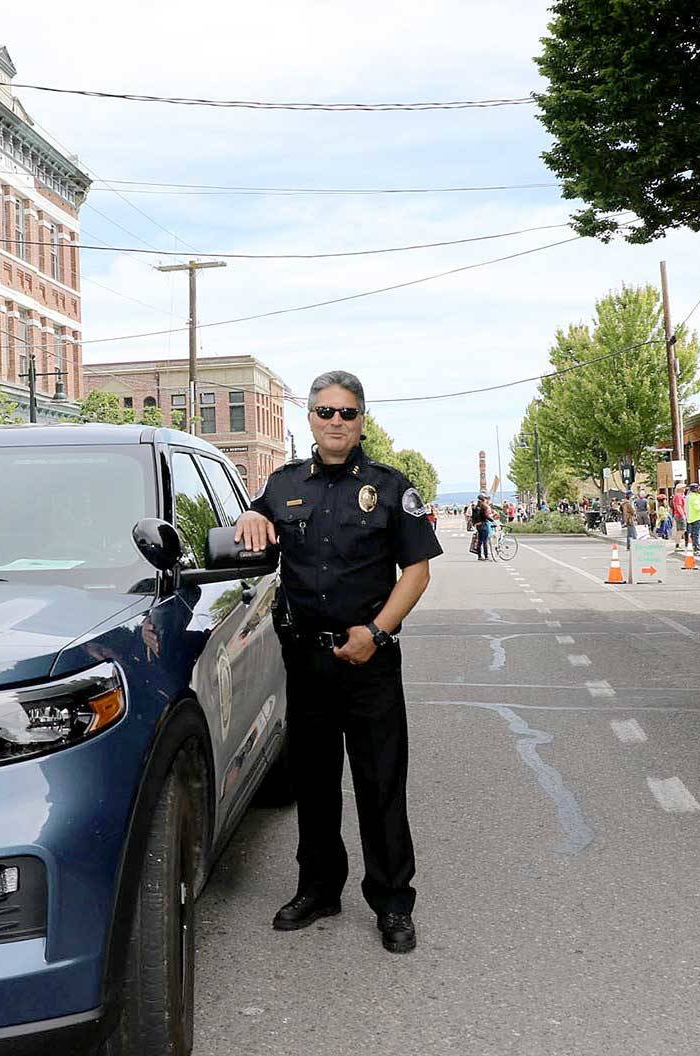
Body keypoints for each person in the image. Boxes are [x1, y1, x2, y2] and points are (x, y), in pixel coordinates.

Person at [235, 369, 441, 954]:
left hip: (369, 661)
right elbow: (254, 524)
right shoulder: (282, 484)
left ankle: (393, 902)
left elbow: (418, 571)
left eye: (346, 413)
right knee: (316, 783)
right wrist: (251, 516)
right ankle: (320, 889)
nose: (335, 422)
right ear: (310, 418)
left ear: (361, 420)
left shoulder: (390, 487)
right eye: (324, 412)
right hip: (306, 660)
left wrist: (376, 632)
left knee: (379, 785)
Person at [686, 482, 700, 555]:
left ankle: (695, 546)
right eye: (698, 488)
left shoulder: (688, 496)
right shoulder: (695, 497)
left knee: (693, 534)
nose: (699, 490)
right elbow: (697, 507)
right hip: (696, 517)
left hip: (691, 517)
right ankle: (696, 548)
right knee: (696, 534)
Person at [471, 493, 492, 560]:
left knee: (479, 541)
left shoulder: (475, 508)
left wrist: (475, 523)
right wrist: (492, 520)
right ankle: (486, 556)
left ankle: (479, 556)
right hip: (484, 525)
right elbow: (485, 516)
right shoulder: (483, 507)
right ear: (483, 500)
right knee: (485, 541)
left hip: (478, 526)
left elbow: (473, 517)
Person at [670, 483, 687, 550]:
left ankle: (678, 545)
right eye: (683, 488)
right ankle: (677, 545)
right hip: (679, 515)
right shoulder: (678, 496)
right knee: (681, 530)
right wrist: (683, 515)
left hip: (678, 515)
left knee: (680, 530)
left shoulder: (678, 496)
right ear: (680, 489)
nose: (684, 489)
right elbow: (678, 506)